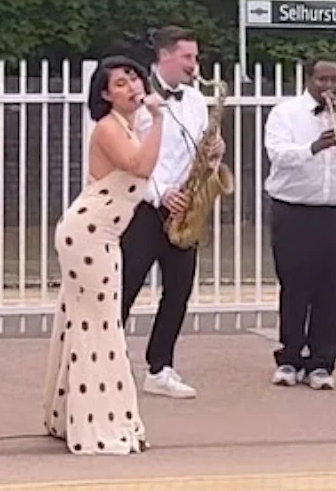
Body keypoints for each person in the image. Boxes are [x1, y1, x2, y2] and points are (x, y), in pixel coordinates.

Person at [42, 55, 165, 455]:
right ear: (105, 96)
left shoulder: (129, 127)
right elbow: (140, 166)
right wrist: (159, 120)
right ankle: (100, 423)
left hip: (103, 233)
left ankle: (69, 413)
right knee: (101, 326)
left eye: (133, 77)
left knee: (83, 321)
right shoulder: (108, 127)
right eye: (119, 83)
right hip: (90, 233)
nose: (131, 86)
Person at [263, 56, 336, 390]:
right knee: (296, 286)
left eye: (334, 80)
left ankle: (322, 363)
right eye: (322, 80)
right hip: (293, 210)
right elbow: (278, 156)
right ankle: (289, 359)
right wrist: (314, 147)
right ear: (307, 79)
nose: (328, 87)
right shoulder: (285, 113)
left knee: (334, 289)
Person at [120, 25, 223, 399]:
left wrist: (213, 154)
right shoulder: (136, 98)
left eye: (195, 58)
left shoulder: (195, 99)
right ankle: (108, 365)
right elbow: (127, 158)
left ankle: (160, 367)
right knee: (125, 287)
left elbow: (198, 148)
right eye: (188, 58)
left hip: (185, 206)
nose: (195, 66)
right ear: (164, 56)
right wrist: (160, 193)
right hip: (143, 207)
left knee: (178, 291)